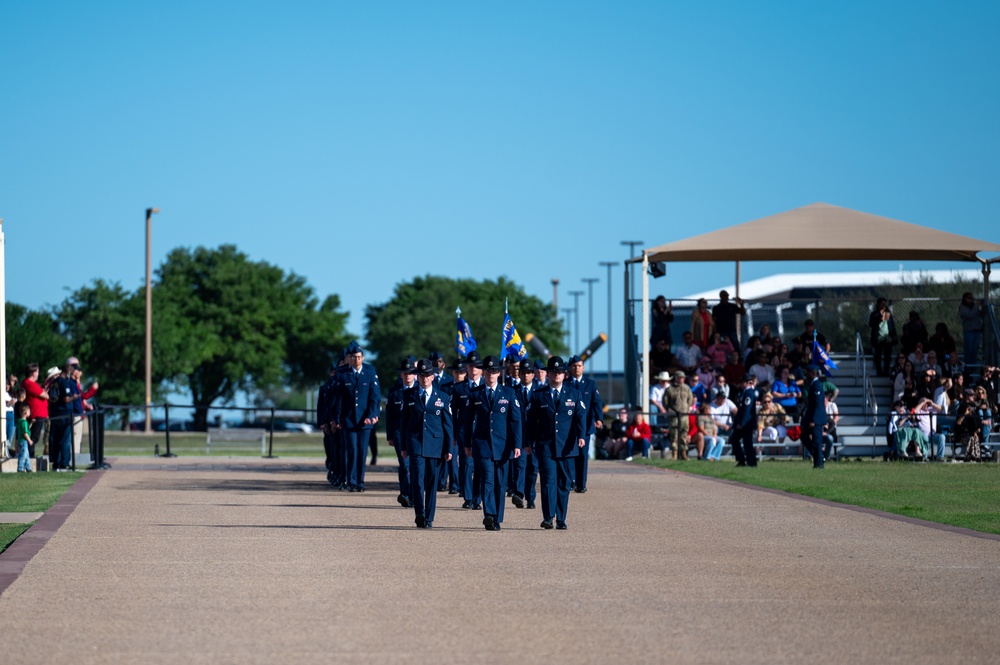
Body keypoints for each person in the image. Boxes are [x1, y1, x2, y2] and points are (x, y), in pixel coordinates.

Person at [525, 356, 586, 530]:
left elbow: (580, 417)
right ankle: (548, 517)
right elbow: (530, 421)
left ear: (564, 374)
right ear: (548, 373)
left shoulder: (574, 394)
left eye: (559, 372)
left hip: (567, 447)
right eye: (553, 372)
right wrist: (528, 442)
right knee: (548, 481)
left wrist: (581, 436)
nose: (556, 375)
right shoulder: (538, 396)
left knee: (564, 483)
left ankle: (561, 518)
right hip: (546, 446)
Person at [464, 355, 522, 531]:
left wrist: (517, 444)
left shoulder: (509, 393)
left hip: (503, 446)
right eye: (488, 371)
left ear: (499, 373)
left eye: (494, 371)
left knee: (500, 483)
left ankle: (497, 517)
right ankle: (489, 514)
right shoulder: (475, 394)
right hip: (482, 445)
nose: (491, 374)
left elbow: (515, 421)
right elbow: (467, 421)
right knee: (487, 480)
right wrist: (467, 443)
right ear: (483, 372)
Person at [400, 359, 453, 528]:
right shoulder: (409, 396)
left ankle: (429, 517)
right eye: (421, 375)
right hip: (415, 443)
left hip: (435, 445)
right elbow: (403, 423)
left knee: (431, 481)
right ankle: (420, 514)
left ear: (433, 377)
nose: (424, 378)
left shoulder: (442, 397)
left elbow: (447, 424)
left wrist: (448, 448)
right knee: (417, 480)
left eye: (427, 375)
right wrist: (403, 446)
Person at [330, 341, 381, 492]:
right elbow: (338, 399)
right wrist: (337, 418)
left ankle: (360, 481)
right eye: (353, 357)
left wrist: (372, 415)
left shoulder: (370, 372)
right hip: (349, 420)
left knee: (362, 451)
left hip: (365, 421)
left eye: (359, 357)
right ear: (350, 359)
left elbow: (375, 397)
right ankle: (351, 481)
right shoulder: (342, 374)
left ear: (363, 358)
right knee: (351, 450)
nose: (356, 360)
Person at [452, 351, 483, 510]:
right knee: (466, 465)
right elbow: (453, 413)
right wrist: (454, 434)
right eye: (470, 366)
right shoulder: (459, 389)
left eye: (477, 366)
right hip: (465, 432)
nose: (473, 369)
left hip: (483, 433)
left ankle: (477, 498)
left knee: (479, 466)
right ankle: (468, 497)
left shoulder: (487, 386)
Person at [567, 355, 603, 494]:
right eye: (574, 366)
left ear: (583, 368)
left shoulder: (590, 384)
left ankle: (581, 484)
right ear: (571, 368)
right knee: (569, 455)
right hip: (569, 428)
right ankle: (570, 481)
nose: (577, 368)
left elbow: (597, 402)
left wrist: (599, 418)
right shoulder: (566, 384)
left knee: (582, 455)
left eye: (579, 366)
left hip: (585, 426)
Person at [385, 357, 418, 507]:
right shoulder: (394, 393)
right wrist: (389, 436)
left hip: (417, 433)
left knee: (415, 464)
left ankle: (415, 493)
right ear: (401, 375)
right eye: (405, 373)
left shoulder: (420, 390)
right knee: (404, 464)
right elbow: (389, 415)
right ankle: (406, 493)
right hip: (399, 432)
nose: (408, 375)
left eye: (410, 372)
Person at [512, 359, 538, 508]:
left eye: (529, 372)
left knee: (533, 468)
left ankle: (531, 497)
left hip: (534, 436)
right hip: (519, 435)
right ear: (519, 374)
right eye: (523, 372)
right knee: (520, 466)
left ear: (533, 374)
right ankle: (519, 493)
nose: (526, 375)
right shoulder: (512, 391)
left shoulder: (540, 393)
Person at [50, 361, 81, 471]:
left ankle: (56, 463)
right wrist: (75, 397)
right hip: (65, 414)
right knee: (65, 440)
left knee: (56, 439)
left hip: (55, 414)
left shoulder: (54, 382)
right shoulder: (64, 383)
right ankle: (64, 463)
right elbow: (66, 399)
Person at [800, 365, 828, 468]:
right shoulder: (812, 384)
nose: (806, 374)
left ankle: (819, 463)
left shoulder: (816, 385)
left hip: (816, 419)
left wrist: (813, 420)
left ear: (812, 373)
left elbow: (817, 404)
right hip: (812, 417)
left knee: (817, 441)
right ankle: (818, 458)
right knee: (804, 436)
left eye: (808, 372)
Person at [663, 370, 694, 460]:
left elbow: (690, 400)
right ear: (675, 378)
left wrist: (686, 408)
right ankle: (674, 453)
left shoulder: (687, 388)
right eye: (680, 377)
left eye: (683, 377)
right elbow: (665, 402)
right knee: (674, 434)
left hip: (684, 415)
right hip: (674, 415)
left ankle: (684, 453)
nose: (682, 379)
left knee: (684, 433)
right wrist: (670, 410)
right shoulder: (669, 389)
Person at [22, 363, 50, 459]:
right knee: (33, 436)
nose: (38, 373)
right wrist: (46, 391)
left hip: (38, 413)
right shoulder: (30, 384)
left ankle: (30, 455)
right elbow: (45, 395)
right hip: (36, 414)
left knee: (34, 436)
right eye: (37, 371)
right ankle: (29, 456)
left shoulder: (29, 383)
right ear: (33, 373)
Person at [731, 374, 758, 467]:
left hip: (746, 423)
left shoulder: (749, 393)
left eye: (743, 382)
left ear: (746, 383)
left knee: (747, 443)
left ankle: (751, 462)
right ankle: (743, 460)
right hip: (743, 423)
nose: (742, 384)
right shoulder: (745, 392)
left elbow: (747, 410)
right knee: (735, 440)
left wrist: (741, 424)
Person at [868, 297, 897, 377]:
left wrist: (894, 334)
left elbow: (892, 325)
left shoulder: (888, 313)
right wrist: (879, 319)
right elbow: (871, 324)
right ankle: (879, 372)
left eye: (884, 303)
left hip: (887, 338)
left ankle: (886, 371)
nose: (883, 305)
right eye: (882, 303)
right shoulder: (874, 314)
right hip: (878, 338)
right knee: (878, 356)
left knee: (888, 356)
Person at [958, 292, 984, 365]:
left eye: (971, 298)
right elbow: (970, 315)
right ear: (965, 299)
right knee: (968, 350)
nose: (971, 300)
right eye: (969, 298)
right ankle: (967, 366)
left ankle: (973, 365)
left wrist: (981, 307)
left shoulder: (973, 307)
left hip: (976, 331)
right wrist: (976, 306)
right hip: (969, 332)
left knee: (974, 350)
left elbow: (980, 314)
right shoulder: (963, 307)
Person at [15, 403, 33, 472]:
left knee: (27, 455)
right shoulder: (24, 422)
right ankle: (20, 468)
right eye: (29, 411)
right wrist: (29, 441)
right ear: (25, 413)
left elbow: (27, 429)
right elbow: (25, 433)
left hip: (21, 441)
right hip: (24, 441)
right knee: (23, 455)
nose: (30, 412)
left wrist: (31, 423)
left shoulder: (21, 421)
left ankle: (28, 468)